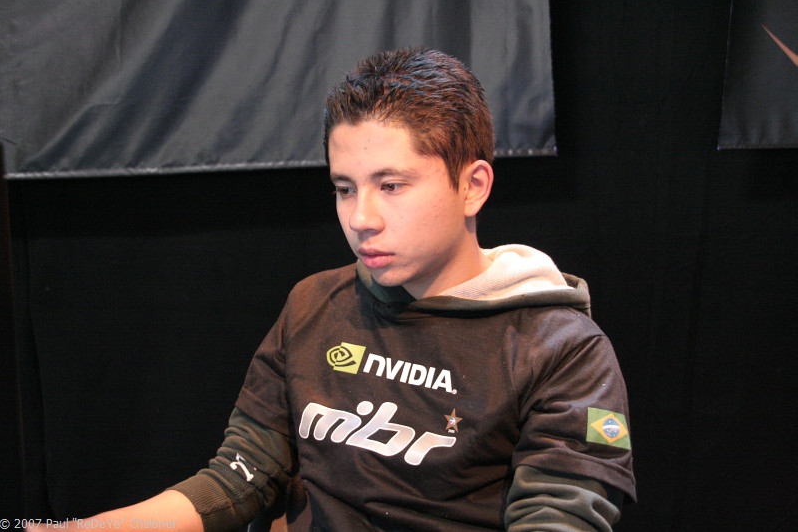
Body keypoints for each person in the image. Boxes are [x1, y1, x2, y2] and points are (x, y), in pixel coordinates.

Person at [46, 47, 635, 531]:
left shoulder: (562, 350)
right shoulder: (312, 303)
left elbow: (559, 518)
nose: (360, 218)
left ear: (472, 186)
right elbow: (238, 478)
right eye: (345, 188)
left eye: (391, 185)